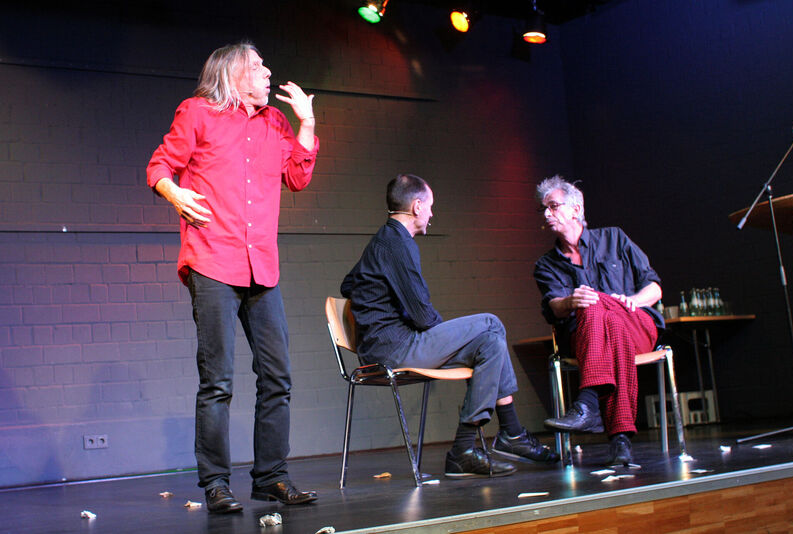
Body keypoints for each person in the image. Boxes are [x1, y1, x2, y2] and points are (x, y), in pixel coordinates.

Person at [146, 42, 319, 513]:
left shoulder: (275, 122)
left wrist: (306, 123)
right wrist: (174, 193)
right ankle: (216, 483)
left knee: (277, 376)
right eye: (257, 66)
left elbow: (297, 177)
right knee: (218, 380)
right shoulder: (197, 113)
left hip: (261, 264)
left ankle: (271, 478)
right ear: (232, 74)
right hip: (213, 261)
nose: (267, 72)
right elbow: (160, 165)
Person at [341, 174, 559, 479]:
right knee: (491, 324)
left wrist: (384, 302)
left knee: (490, 343)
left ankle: (465, 450)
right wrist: (446, 338)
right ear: (417, 206)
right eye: (430, 206)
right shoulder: (397, 245)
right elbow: (423, 317)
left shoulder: (384, 239)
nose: (432, 214)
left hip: (391, 344)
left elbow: (348, 284)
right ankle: (511, 434)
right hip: (393, 350)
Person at [533, 175, 664, 466]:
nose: (546, 214)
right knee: (603, 318)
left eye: (553, 206)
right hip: (587, 340)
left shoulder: (615, 238)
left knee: (600, 306)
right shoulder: (546, 265)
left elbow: (654, 288)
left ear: (576, 209)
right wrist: (571, 301)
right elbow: (554, 307)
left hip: (637, 325)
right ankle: (620, 440)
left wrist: (632, 301)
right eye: (543, 208)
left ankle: (588, 403)